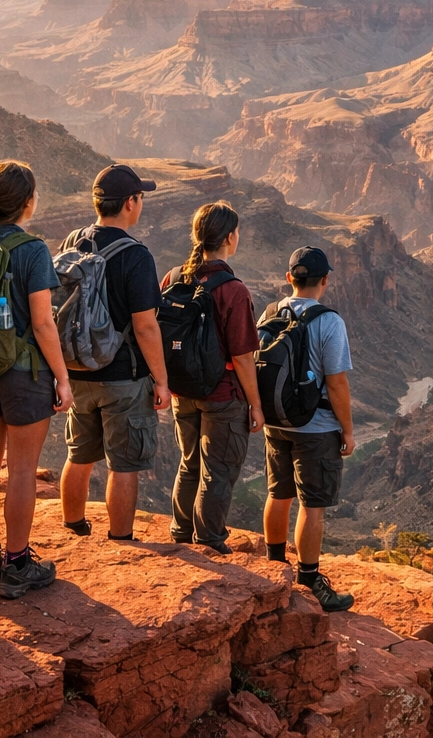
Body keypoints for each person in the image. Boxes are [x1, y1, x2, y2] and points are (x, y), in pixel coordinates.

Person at [0, 161, 74, 598]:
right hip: (23, 372)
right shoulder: (32, 249)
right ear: (28, 201)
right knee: (21, 470)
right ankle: (18, 564)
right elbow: (44, 324)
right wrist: (62, 379)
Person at [59, 164, 169, 541]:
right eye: (140, 198)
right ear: (129, 203)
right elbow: (145, 325)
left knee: (79, 455)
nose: (141, 205)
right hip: (123, 376)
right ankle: (121, 541)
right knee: (124, 464)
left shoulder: (74, 240)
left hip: (77, 369)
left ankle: (73, 527)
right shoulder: (136, 255)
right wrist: (162, 381)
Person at [160, 202, 264, 554]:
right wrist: (255, 404)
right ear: (230, 238)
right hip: (222, 396)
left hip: (181, 392)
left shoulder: (174, 278)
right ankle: (209, 541)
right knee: (217, 471)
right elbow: (243, 357)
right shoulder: (234, 290)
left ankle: (180, 535)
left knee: (189, 463)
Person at [261, 247, 356, 612]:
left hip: (276, 420)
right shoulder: (329, 321)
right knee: (313, 504)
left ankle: (273, 566)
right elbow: (337, 383)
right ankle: (309, 578)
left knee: (278, 492)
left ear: (289, 279)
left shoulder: (270, 313)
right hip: (316, 428)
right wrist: (347, 430)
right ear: (325, 281)